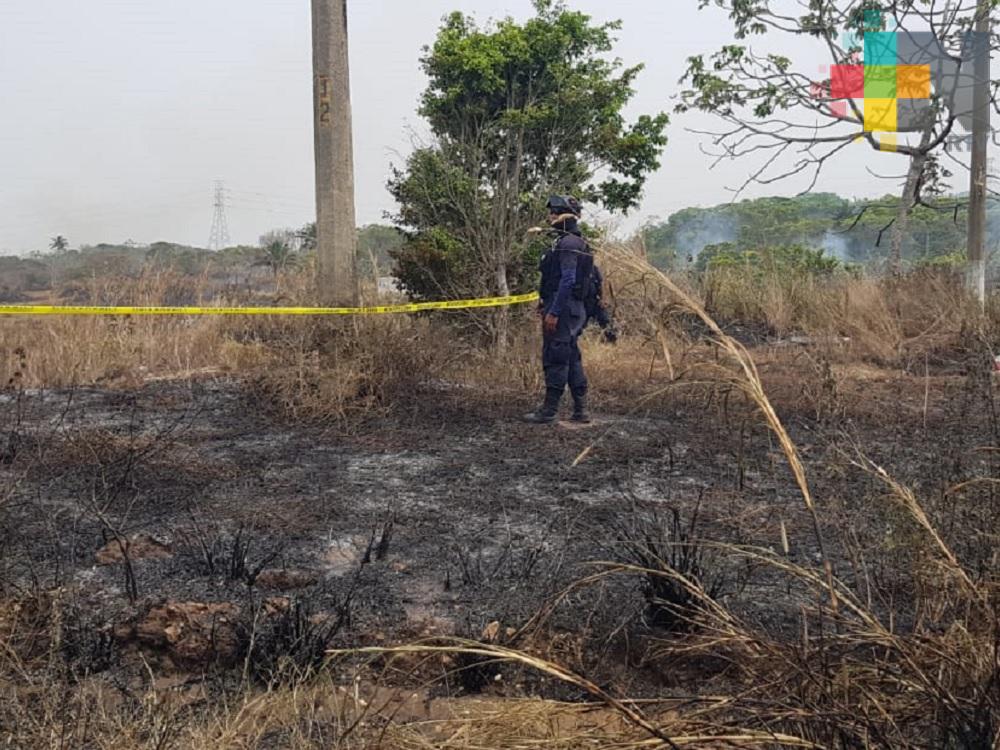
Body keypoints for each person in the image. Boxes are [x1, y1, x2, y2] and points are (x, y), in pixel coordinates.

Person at [524, 196, 594, 425]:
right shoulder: (569, 242)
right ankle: (580, 410)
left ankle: (549, 410)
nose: (550, 216)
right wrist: (546, 303)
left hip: (565, 309)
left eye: (555, 211)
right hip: (567, 307)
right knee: (571, 356)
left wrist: (554, 311)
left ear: (565, 214)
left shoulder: (569, 244)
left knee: (556, 356)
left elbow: (567, 281)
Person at [584, 264, 619, 343]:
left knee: (605, 320)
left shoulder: (593, 268)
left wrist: (602, 298)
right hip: (582, 303)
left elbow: (601, 283)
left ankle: (612, 341)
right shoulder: (576, 267)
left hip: (595, 301)